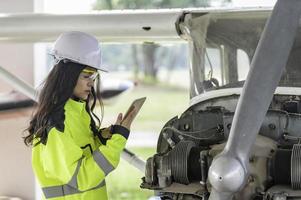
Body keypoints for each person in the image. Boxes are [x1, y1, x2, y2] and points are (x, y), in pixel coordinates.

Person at [23, 31, 135, 199]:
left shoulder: (77, 113)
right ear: (67, 75)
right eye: (86, 75)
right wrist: (118, 141)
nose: (92, 82)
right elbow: (81, 178)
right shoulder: (57, 123)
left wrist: (104, 138)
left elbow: (85, 156)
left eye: (94, 75)